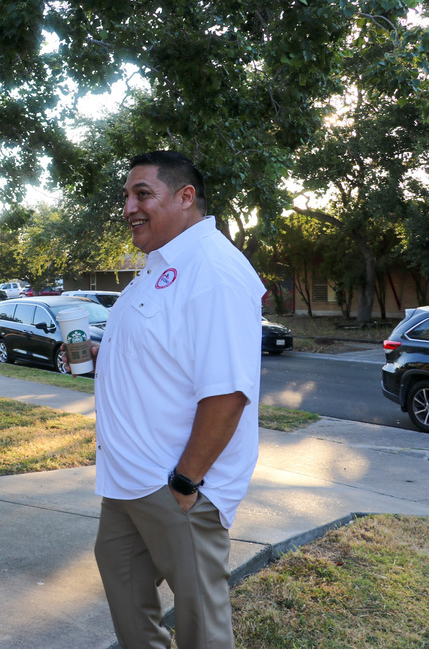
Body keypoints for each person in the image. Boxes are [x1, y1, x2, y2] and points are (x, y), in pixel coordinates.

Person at [88, 151, 265, 648]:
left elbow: (228, 394)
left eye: (143, 193)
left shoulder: (213, 270)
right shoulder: (158, 267)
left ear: (186, 197)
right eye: (126, 195)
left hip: (177, 487)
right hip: (126, 484)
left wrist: (187, 481)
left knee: (201, 625)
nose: (129, 206)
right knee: (126, 598)